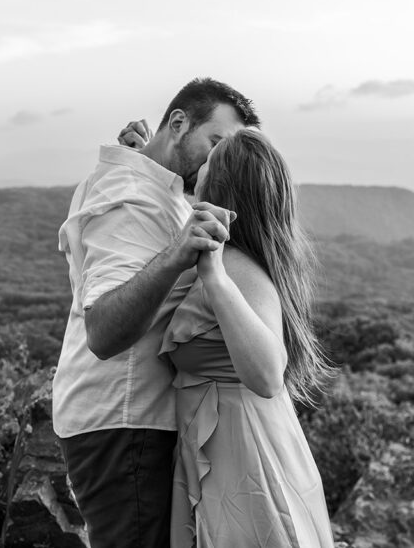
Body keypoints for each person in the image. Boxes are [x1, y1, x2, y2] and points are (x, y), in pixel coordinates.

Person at [54, 78, 261, 548]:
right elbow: (103, 332)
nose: (219, 161)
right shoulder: (130, 199)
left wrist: (140, 155)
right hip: (126, 420)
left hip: (127, 420)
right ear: (178, 122)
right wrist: (178, 253)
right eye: (215, 143)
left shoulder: (147, 185)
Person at [161, 127, 337, 547]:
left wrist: (215, 277)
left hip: (246, 457)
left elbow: (267, 374)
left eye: (208, 161)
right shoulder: (238, 257)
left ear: (220, 186)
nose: (198, 167)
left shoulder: (237, 269)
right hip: (229, 447)